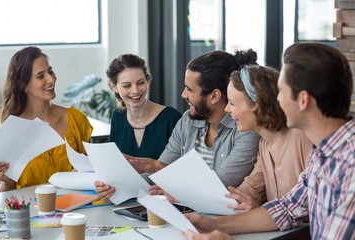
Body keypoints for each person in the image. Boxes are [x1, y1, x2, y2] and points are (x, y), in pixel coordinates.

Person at [186, 42, 355, 239]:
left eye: (281, 91)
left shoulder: (349, 166)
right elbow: (288, 209)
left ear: (303, 100)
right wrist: (213, 224)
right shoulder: (322, 156)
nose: (276, 99)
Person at [96, 50, 261, 202]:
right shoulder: (187, 121)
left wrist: (157, 169)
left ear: (214, 96)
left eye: (189, 89)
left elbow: (220, 185)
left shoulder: (245, 130)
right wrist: (115, 188)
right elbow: (158, 178)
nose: (183, 95)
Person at [0, 46, 93, 192]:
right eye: (40, 76)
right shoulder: (11, 130)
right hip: (31, 212)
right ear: (23, 85)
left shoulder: (76, 119)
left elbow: (93, 175)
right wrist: (6, 181)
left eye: (50, 71)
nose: (51, 78)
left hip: (75, 212)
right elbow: (7, 198)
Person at [224, 65, 312, 212]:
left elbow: (314, 205)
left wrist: (258, 210)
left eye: (232, 103)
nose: (227, 109)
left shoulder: (301, 138)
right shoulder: (264, 144)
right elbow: (250, 188)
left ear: (257, 104)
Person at [106, 54, 181, 159]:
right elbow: (114, 161)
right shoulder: (118, 116)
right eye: (127, 85)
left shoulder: (171, 118)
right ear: (113, 87)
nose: (135, 91)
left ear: (147, 80)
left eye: (141, 83)